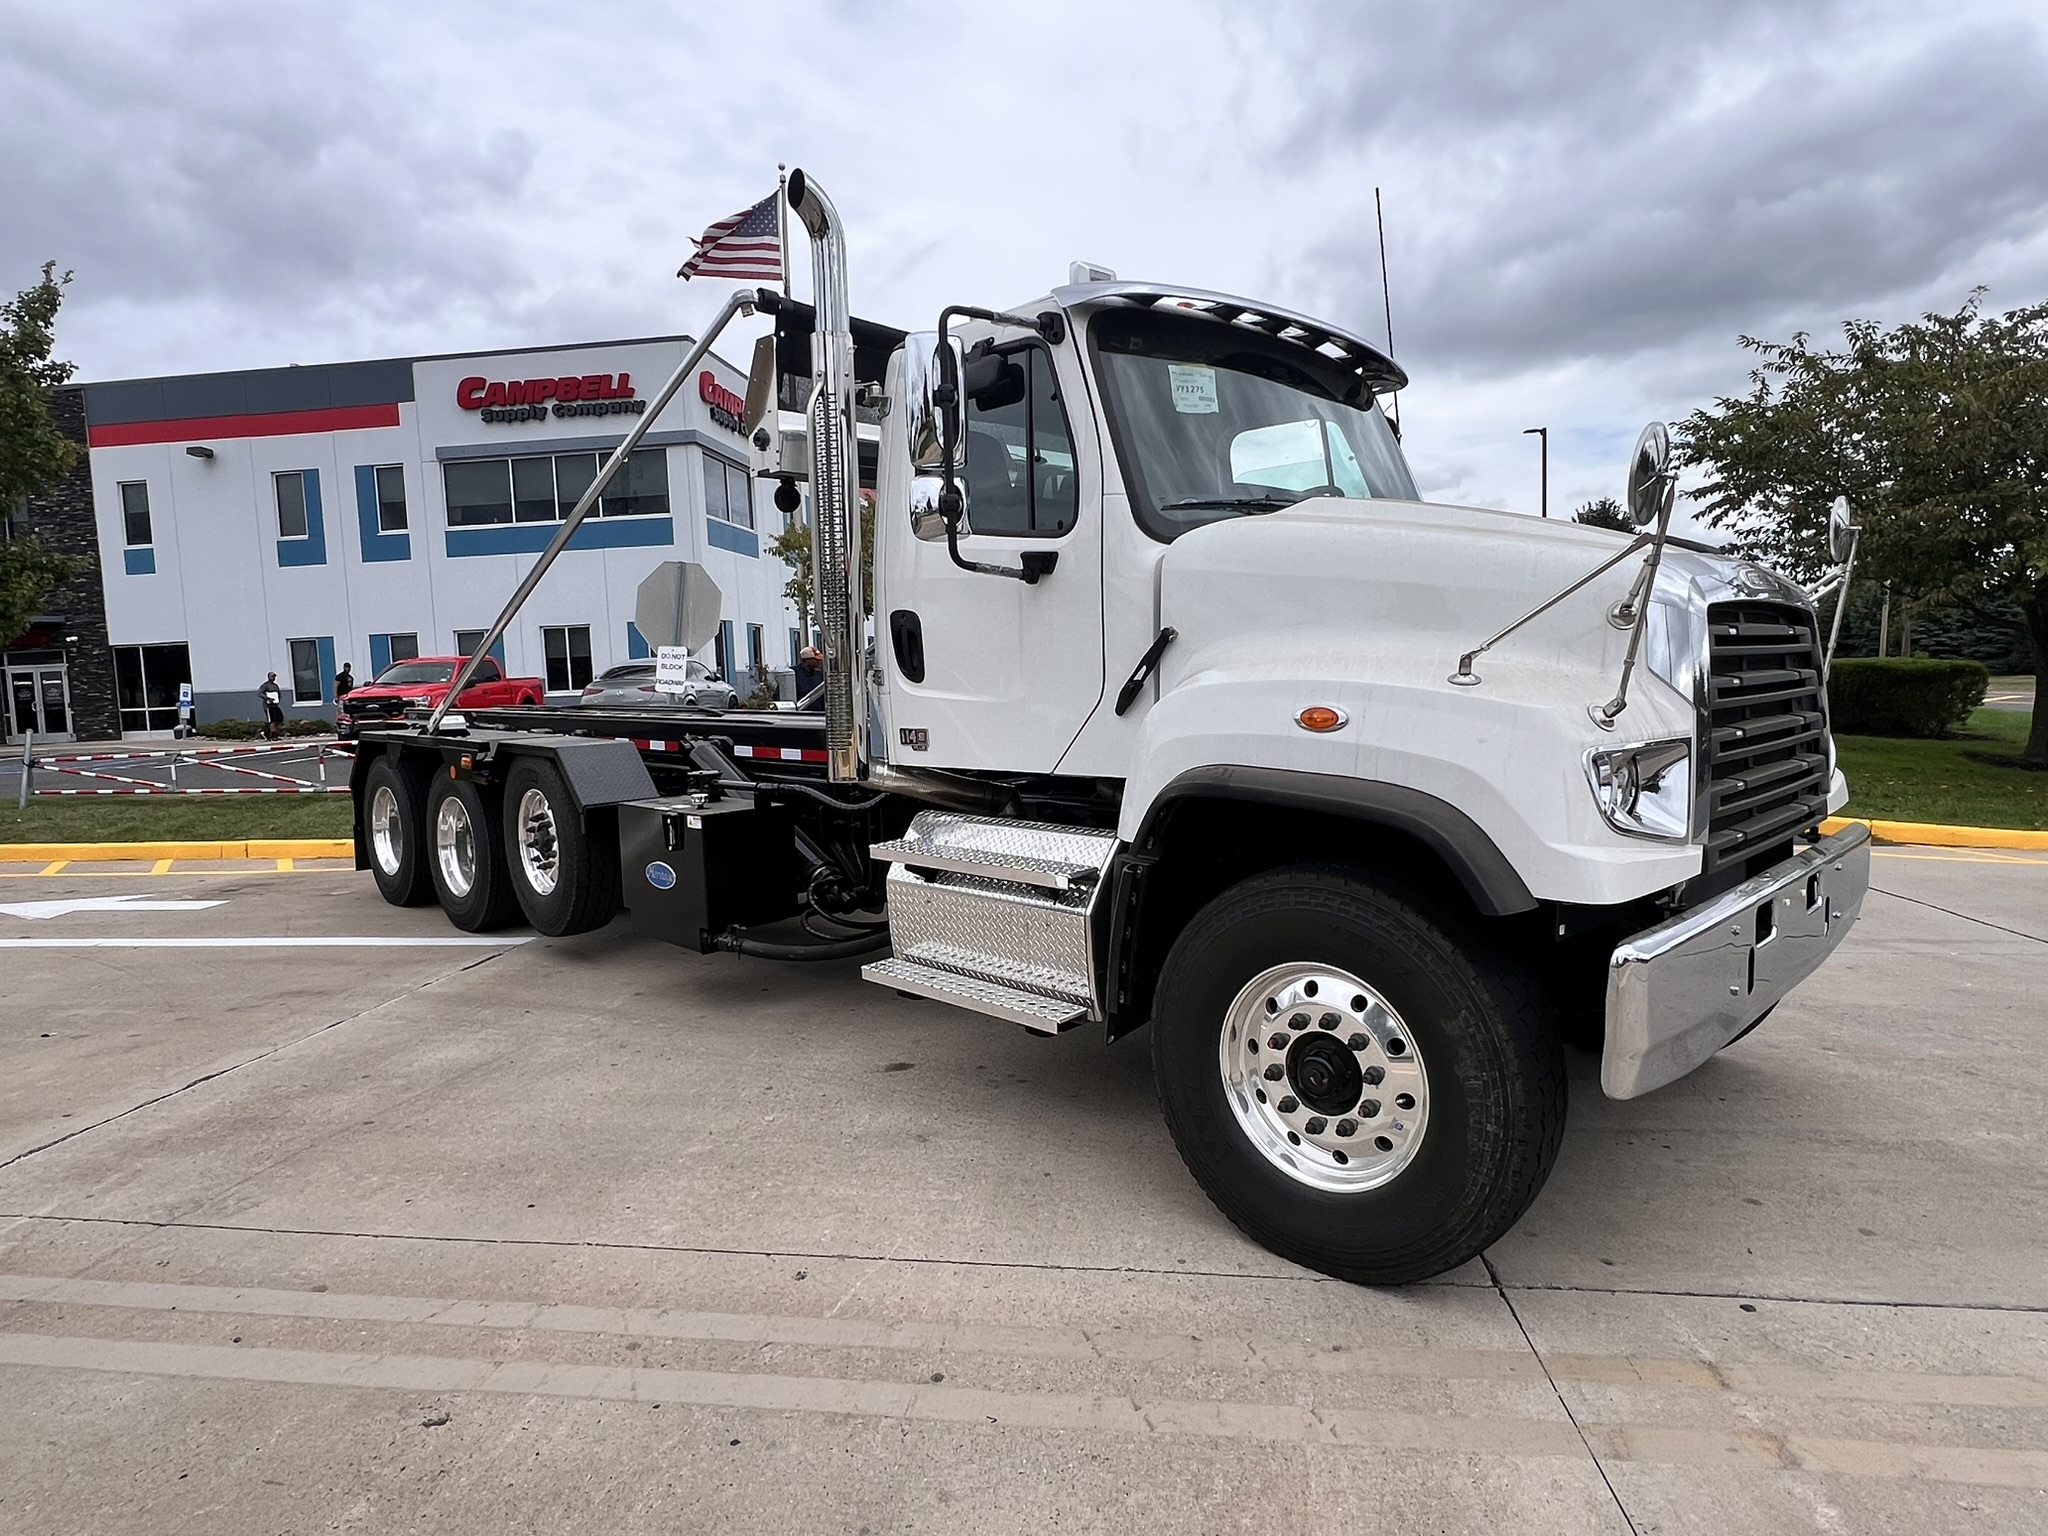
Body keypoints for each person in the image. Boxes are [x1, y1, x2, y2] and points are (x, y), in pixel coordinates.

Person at [794, 646, 825, 711]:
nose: (819, 661)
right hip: (800, 715)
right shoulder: (793, 674)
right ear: (807, 660)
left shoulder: (820, 675)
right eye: (816, 659)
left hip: (818, 714)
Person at [258, 671, 284, 740]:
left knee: (279, 719)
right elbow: (259, 693)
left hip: (275, 705)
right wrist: (267, 698)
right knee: (272, 720)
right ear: (268, 677)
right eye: (272, 676)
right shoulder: (265, 685)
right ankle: (272, 735)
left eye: (274, 676)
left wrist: (278, 699)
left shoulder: (275, 685)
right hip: (268, 706)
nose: (273, 678)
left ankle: (269, 732)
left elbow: (278, 693)